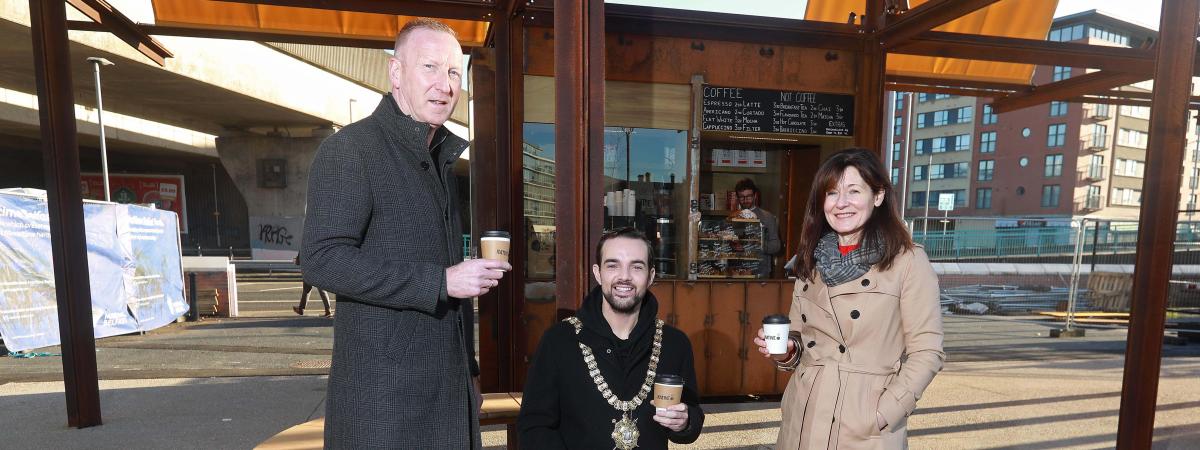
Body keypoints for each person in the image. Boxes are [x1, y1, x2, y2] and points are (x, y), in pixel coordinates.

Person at [300, 18, 510, 449]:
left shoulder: (438, 159)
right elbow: (322, 258)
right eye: (430, 68)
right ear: (396, 73)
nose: (445, 85)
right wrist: (441, 281)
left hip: (446, 397)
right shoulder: (350, 149)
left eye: (453, 72)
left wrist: (469, 370)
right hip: (386, 408)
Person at [752, 148, 944, 449]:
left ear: (877, 196)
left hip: (864, 424)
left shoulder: (907, 260)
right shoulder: (810, 260)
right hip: (804, 414)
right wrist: (786, 353)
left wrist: (884, 412)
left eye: (854, 191)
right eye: (831, 193)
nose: (841, 203)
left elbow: (928, 351)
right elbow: (802, 341)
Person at [518, 228, 704, 449]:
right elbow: (534, 426)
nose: (624, 276)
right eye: (613, 265)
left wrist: (685, 423)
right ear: (598, 273)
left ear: (651, 276)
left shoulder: (675, 344)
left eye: (636, 266)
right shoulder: (558, 341)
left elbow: (691, 416)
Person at [734, 178, 781, 277]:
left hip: (760, 272)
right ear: (737, 198)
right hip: (737, 272)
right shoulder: (733, 218)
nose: (745, 200)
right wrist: (732, 246)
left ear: (755, 196)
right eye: (741, 197)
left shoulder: (767, 217)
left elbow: (776, 245)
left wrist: (759, 244)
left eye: (749, 196)